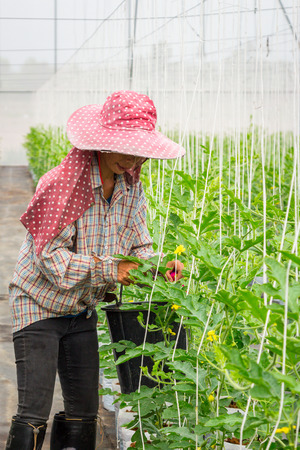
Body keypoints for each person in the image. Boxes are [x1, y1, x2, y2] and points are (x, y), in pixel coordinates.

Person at [5, 90, 185, 450]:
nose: (132, 158)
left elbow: (138, 246)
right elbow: (50, 259)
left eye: (139, 149)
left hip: (81, 308)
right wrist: (110, 269)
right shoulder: (61, 185)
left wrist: (159, 265)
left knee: (83, 412)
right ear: (101, 142)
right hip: (38, 302)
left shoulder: (130, 189)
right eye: (123, 146)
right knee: (34, 411)